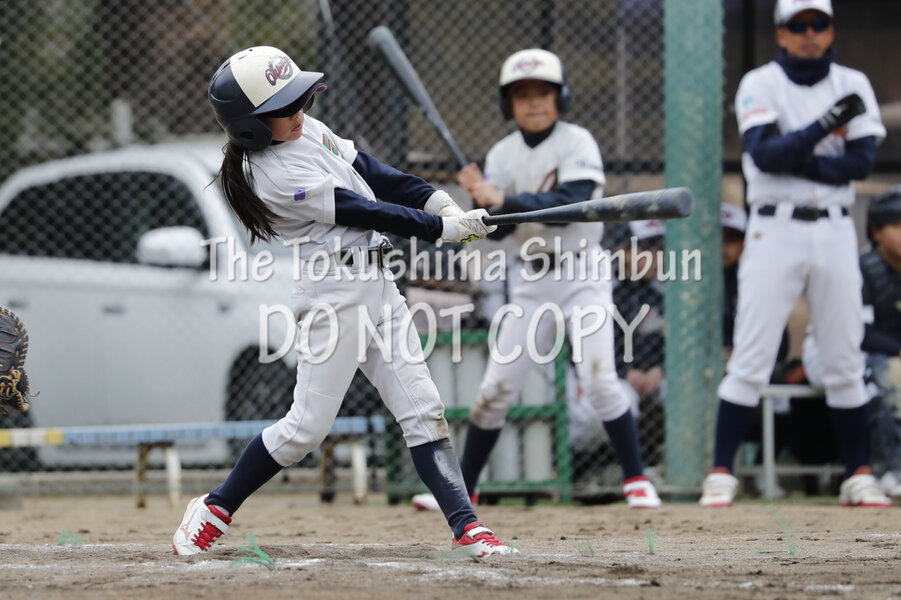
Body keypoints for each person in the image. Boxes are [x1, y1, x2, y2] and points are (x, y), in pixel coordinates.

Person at [172, 46, 519, 557]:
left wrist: (437, 201)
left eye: (298, 99)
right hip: (332, 295)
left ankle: (467, 527)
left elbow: (374, 173)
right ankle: (214, 508)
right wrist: (441, 230)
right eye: (283, 108)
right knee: (304, 431)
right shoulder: (271, 173)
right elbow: (363, 210)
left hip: (377, 282)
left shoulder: (305, 129)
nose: (299, 111)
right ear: (250, 128)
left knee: (424, 410)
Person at [412, 48, 661, 510]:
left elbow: (571, 207)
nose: (532, 102)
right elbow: (499, 228)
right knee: (495, 390)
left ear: (559, 98)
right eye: (522, 94)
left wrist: (503, 199)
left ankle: (636, 480)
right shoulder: (502, 154)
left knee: (600, 379)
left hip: (582, 272)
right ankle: (463, 489)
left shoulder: (578, 142)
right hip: (530, 279)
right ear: (509, 104)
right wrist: (481, 203)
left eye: (542, 93)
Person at [700, 0, 891, 508]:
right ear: (781, 33)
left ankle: (858, 474)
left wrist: (797, 152)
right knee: (752, 355)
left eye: (818, 24)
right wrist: (826, 125)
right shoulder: (761, 82)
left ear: (831, 30)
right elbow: (765, 155)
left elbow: (860, 163)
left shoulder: (852, 82)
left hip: (834, 227)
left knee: (845, 356)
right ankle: (721, 473)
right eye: (798, 25)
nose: (810, 33)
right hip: (774, 228)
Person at [803, 188, 901, 497]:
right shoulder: (861, 268)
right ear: (876, 231)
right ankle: (884, 471)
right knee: (883, 377)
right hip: (829, 350)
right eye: (897, 226)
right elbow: (863, 333)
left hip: (886, 355)